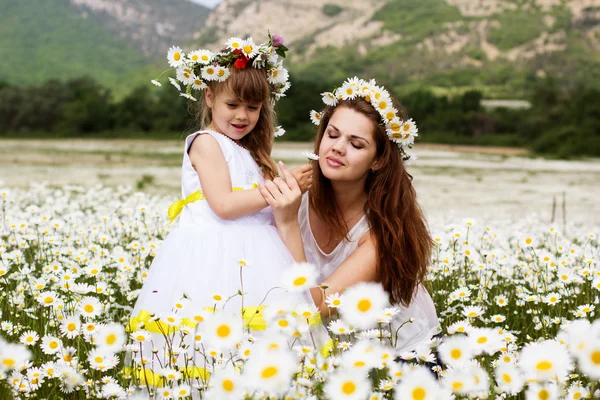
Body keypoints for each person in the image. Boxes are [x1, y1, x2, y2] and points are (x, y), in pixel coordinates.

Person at [129, 35, 313, 354]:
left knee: (259, 339)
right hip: (211, 256)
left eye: (252, 107)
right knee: (210, 340)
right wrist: (277, 188)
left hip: (260, 258)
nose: (242, 116)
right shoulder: (206, 142)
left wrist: (291, 188)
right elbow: (225, 206)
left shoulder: (253, 153)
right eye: (233, 105)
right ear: (210, 97)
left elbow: (268, 211)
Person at [259, 77, 440, 353]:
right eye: (332, 135)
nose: (338, 147)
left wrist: (287, 223)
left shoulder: (380, 235)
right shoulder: (298, 198)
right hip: (333, 352)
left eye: (356, 145)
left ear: (378, 160)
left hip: (397, 357)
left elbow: (317, 306)